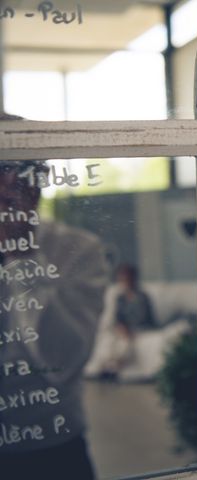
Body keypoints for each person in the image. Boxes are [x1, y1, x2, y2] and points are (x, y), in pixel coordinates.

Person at [0, 153, 108, 478]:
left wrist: (21, 253)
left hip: (51, 446)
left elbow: (62, 358)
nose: (9, 185)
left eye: (20, 172)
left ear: (39, 181)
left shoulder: (78, 250)